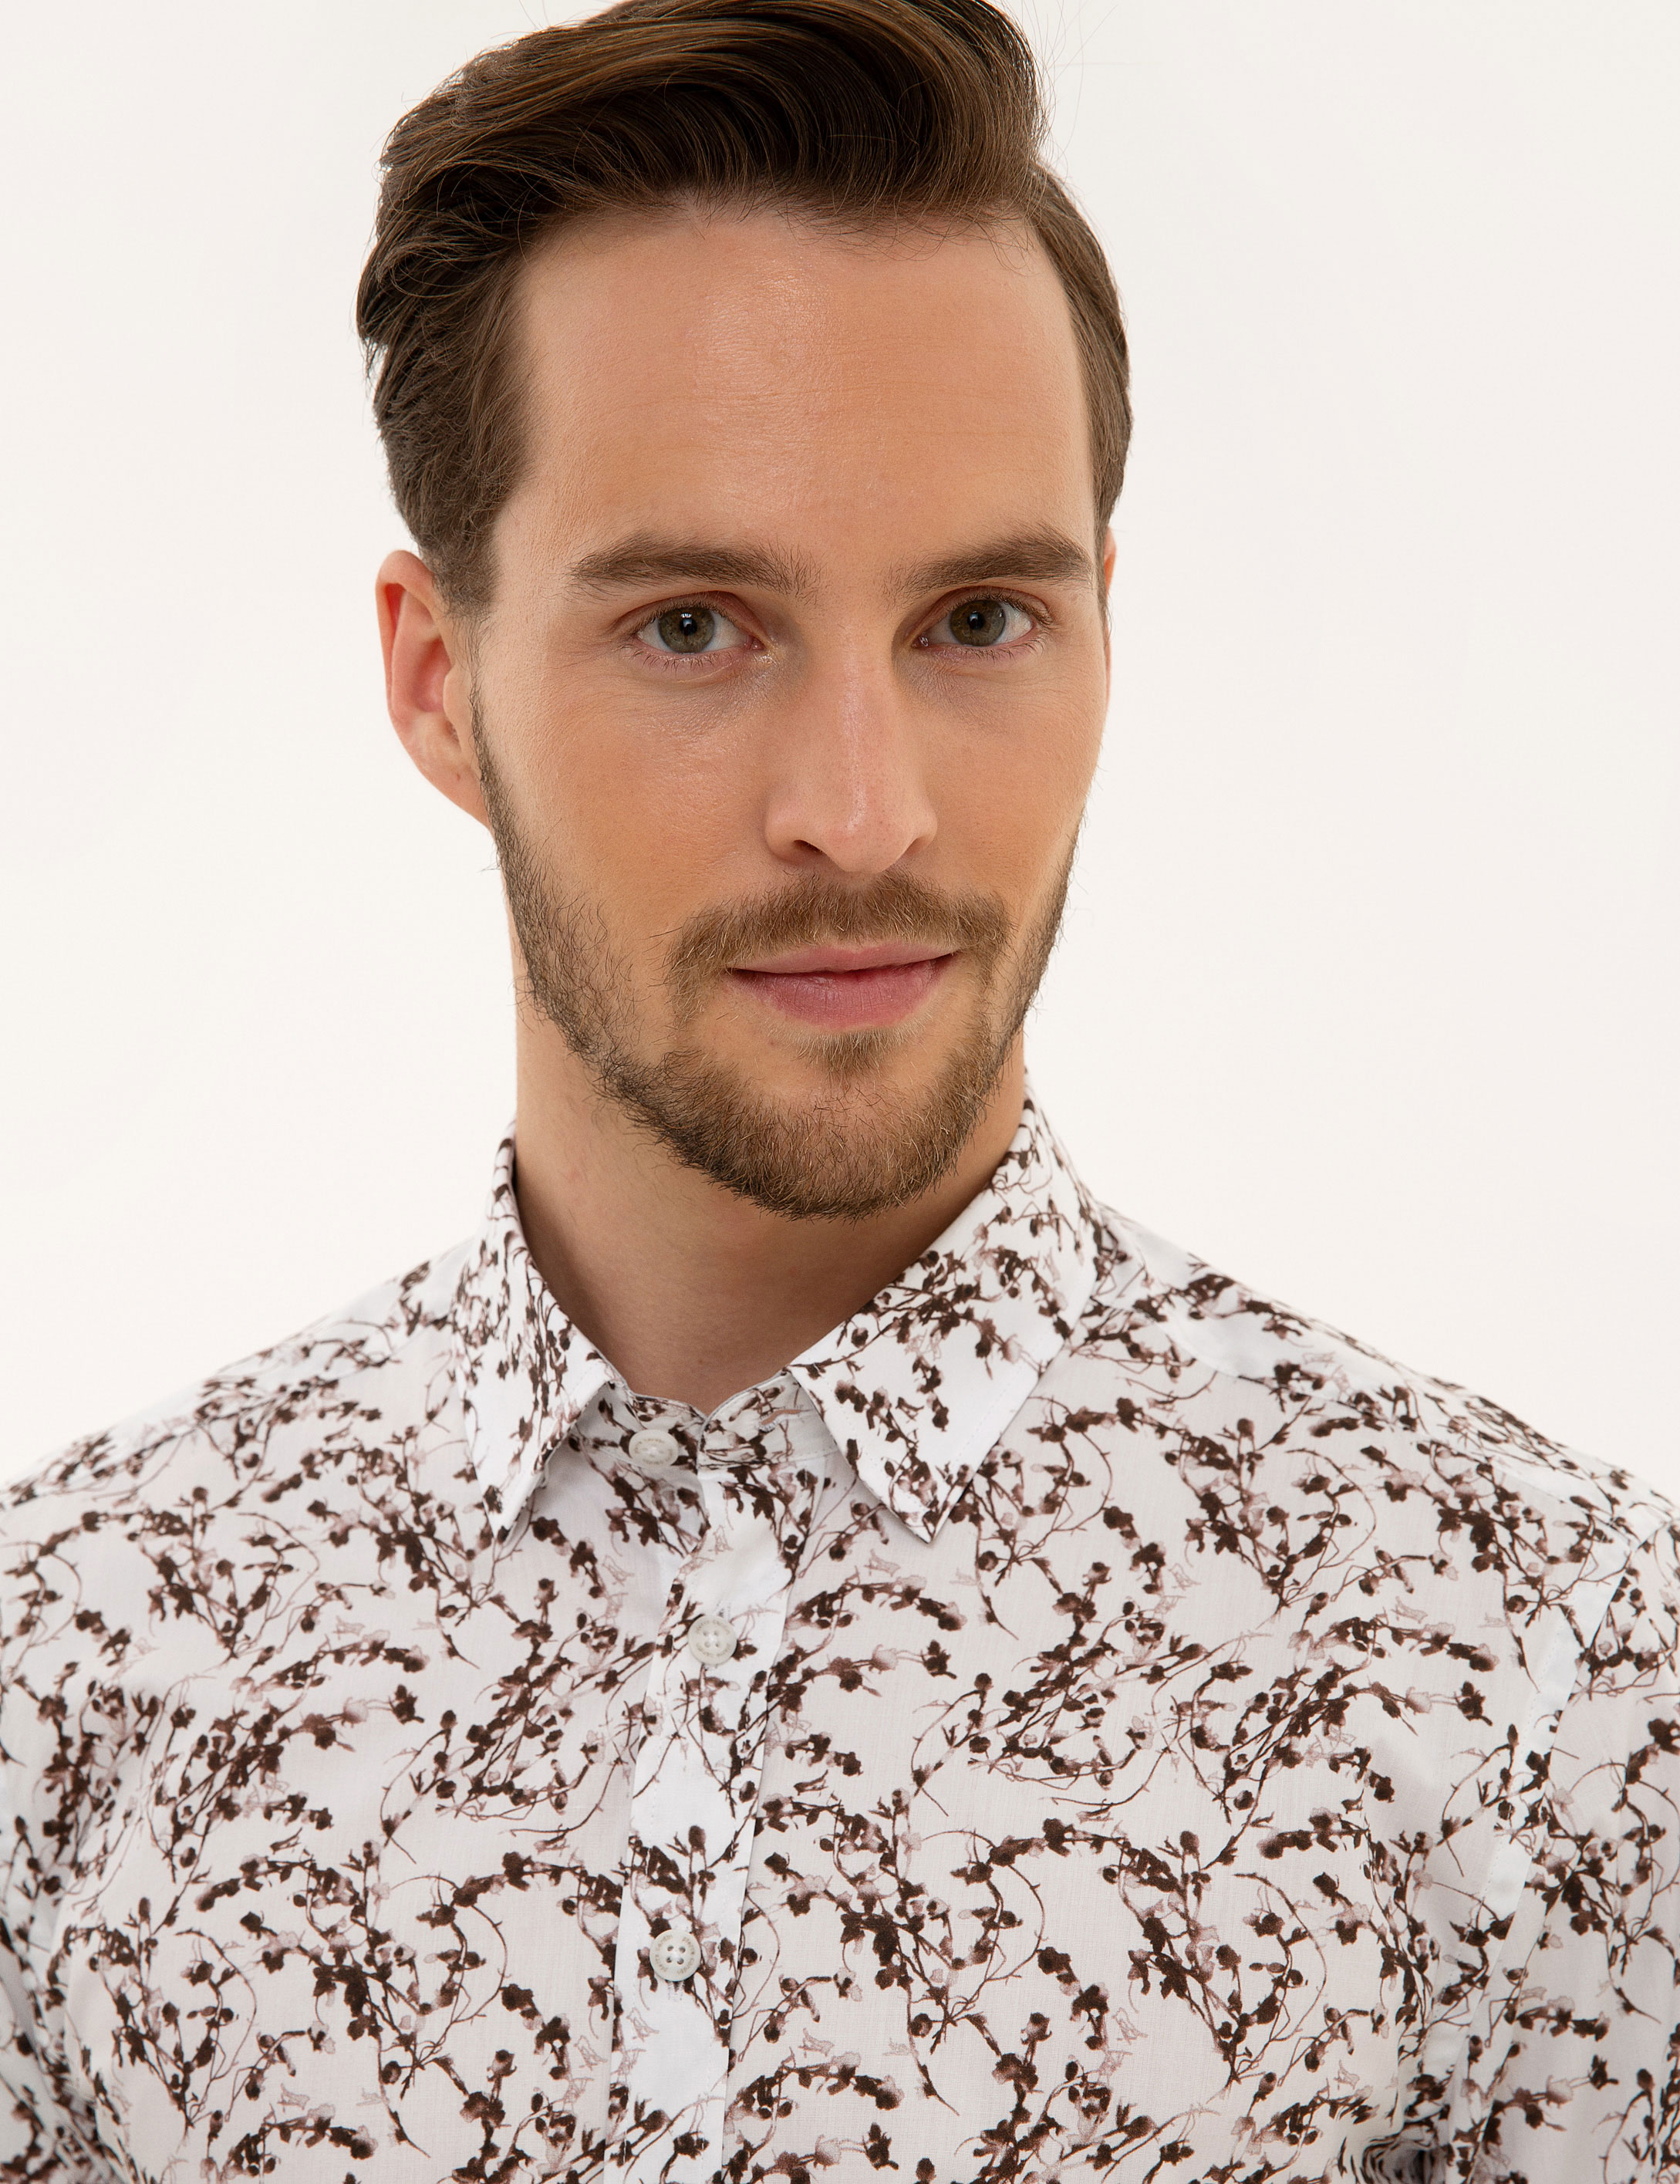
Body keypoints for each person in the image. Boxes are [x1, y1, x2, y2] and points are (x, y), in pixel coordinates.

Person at [2, 0, 1674, 2177]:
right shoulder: (76, 1666)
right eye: (695, 626)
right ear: (439, 684)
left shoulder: (1538, 1664)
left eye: (977, 620)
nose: (864, 813)